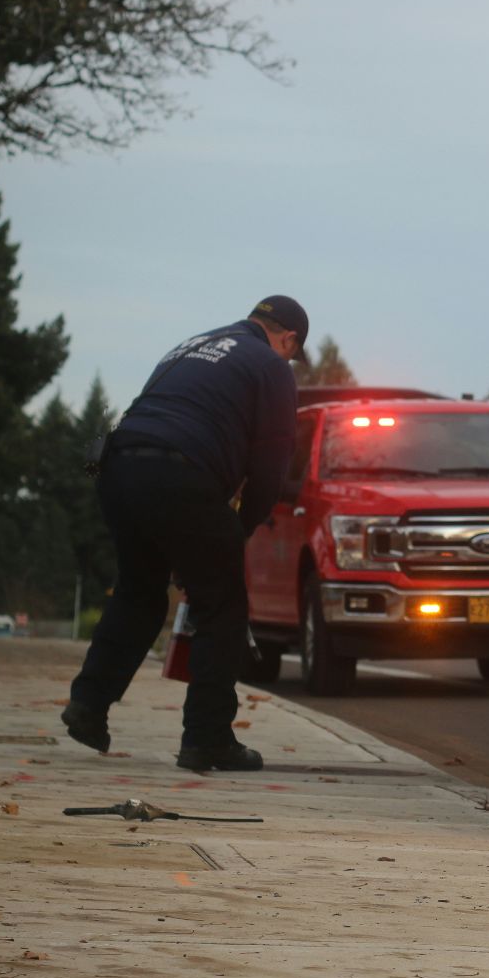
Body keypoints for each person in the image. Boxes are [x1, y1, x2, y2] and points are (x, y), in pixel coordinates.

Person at [62, 295, 307, 771]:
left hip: (119, 469)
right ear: (289, 339)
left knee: (138, 591)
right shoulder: (273, 366)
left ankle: (88, 705)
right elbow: (272, 465)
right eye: (293, 353)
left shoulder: (190, 345)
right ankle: (207, 738)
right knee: (222, 605)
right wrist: (238, 530)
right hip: (180, 475)